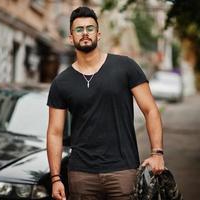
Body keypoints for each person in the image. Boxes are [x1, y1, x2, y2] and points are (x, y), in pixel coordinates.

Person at [46, 6, 165, 200]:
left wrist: (157, 153)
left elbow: (150, 110)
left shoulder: (126, 67)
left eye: (90, 28)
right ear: (71, 37)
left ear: (98, 34)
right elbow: (54, 132)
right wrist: (55, 178)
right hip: (81, 175)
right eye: (79, 29)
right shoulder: (61, 83)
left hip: (123, 170)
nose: (85, 33)